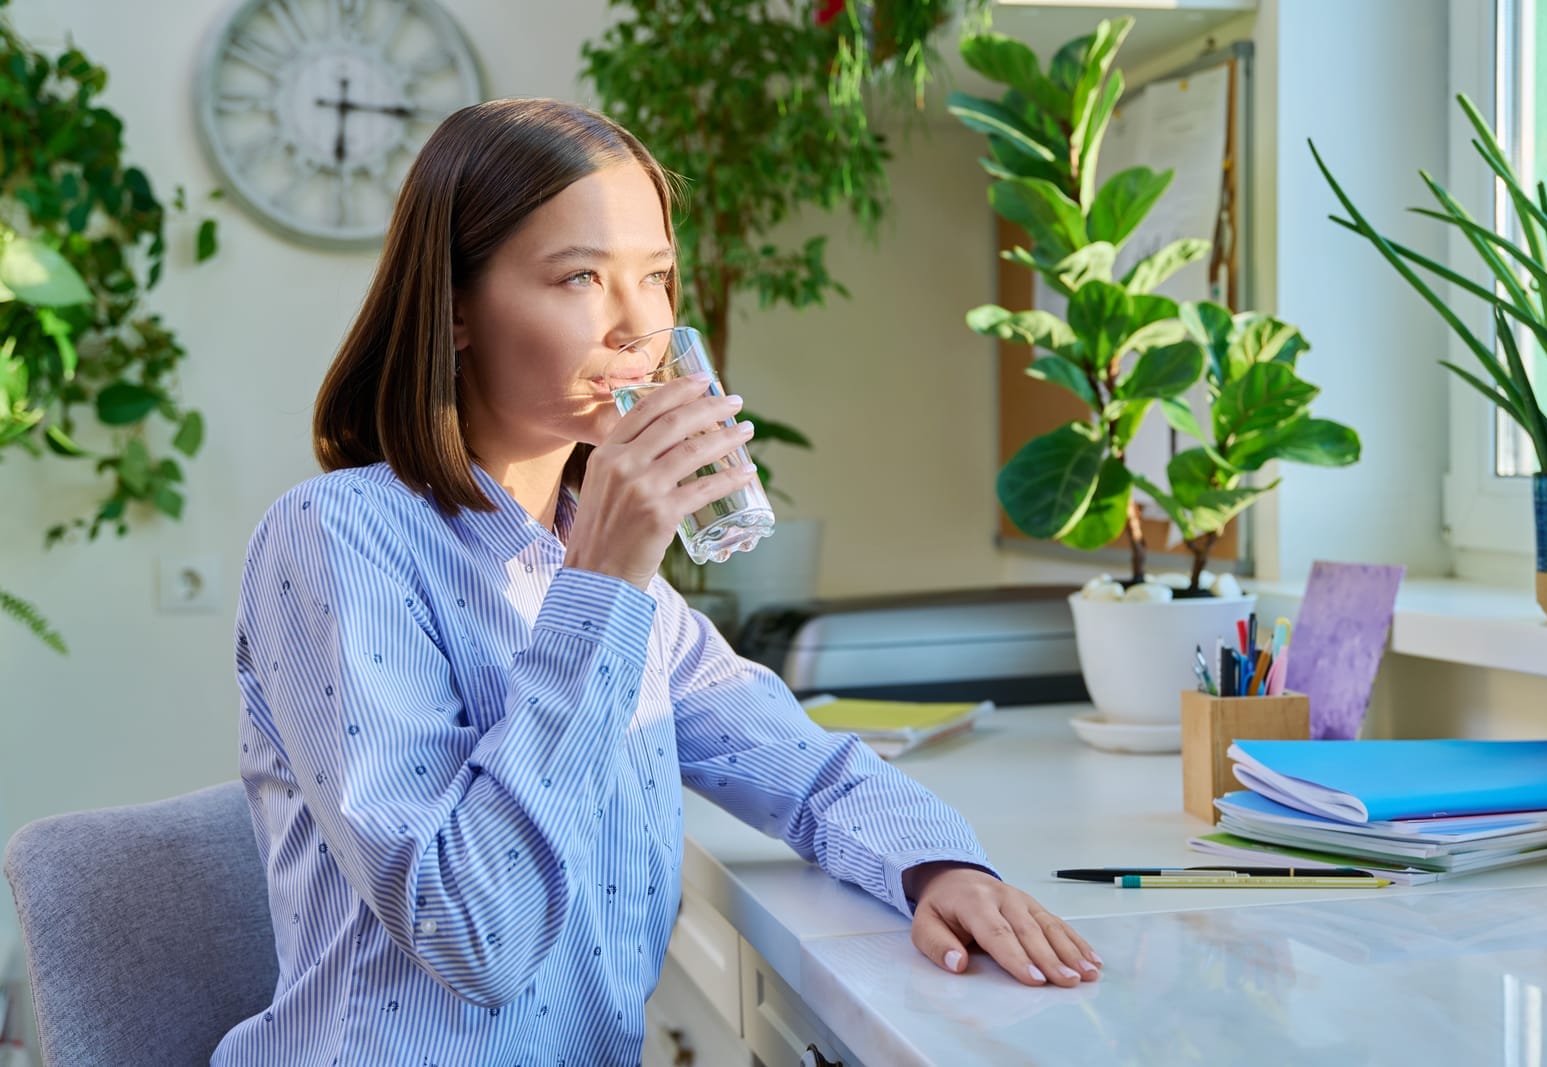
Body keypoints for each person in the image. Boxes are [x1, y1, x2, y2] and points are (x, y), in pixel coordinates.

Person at [214, 98, 1101, 1067]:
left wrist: (940, 867)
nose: (641, 326)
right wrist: (605, 577)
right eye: (582, 277)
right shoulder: (340, 537)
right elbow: (470, 931)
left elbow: (799, 765)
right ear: (456, 309)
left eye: (658, 277)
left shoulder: (598, 570)